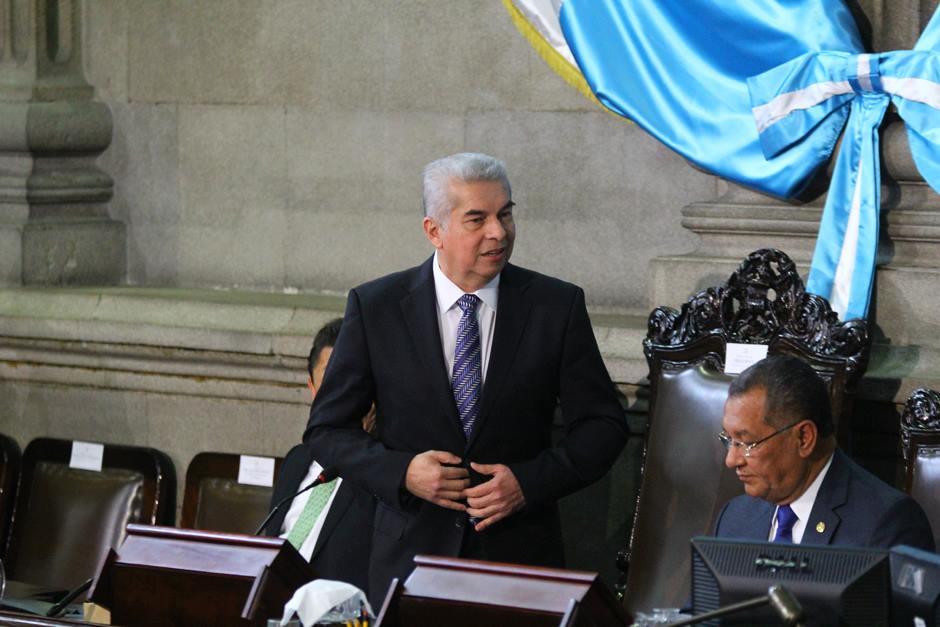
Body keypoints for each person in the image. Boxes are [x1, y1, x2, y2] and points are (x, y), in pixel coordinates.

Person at [304, 152, 629, 600]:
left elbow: (604, 426)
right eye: (477, 219)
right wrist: (403, 472)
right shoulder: (377, 307)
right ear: (433, 231)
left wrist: (528, 483)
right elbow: (326, 430)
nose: (499, 232)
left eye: (505, 214)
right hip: (409, 562)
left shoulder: (555, 306)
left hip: (519, 561)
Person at [714, 354, 934, 550]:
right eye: (729, 440)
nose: (731, 460)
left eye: (747, 442)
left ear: (804, 438)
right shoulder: (734, 519)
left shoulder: (886, 526)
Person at [265, 318, 374, 594]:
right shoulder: (297, 460)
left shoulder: (385, 470)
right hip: (273, 600)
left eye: (354, 380)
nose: (344, 393)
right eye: (332, 379)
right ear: (312, 389)